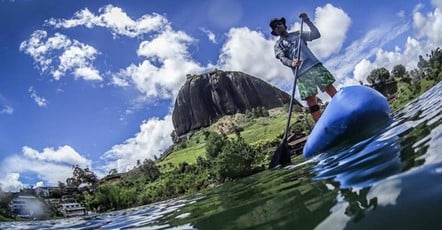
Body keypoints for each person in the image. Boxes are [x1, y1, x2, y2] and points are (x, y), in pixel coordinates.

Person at [270, 13, 337, 122]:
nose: (278, 26)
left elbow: (316, 34)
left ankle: (346, 109)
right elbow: (282, 58)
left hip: (314, 65)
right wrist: (291, 62)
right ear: (275, 32)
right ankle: (321, 125)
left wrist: (306, 20)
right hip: (301, 73)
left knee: (330, 88)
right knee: (311, 101)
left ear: (284, 25)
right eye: (275, 27)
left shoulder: (298, 34)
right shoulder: (278, 45)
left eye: (279, 24)